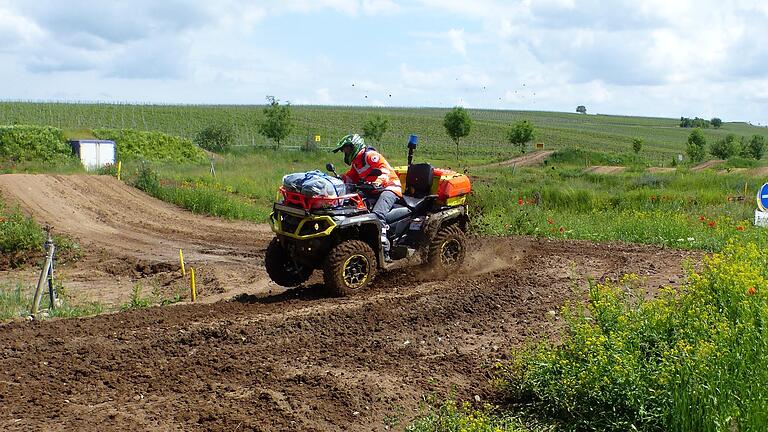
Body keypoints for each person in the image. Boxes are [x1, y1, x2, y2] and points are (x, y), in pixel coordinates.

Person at [332, 134, 402, 259]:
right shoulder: (356, 163)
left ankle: (384, 251)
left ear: (355, 146)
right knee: (353, 207)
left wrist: (379, 180)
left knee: (377, 214)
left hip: (389, 188)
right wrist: (337, 180)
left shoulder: (371, 156)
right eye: (344, 151)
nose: (346, 153)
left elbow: (384, 170)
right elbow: (350, 177)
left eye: (347, 149)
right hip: (372, 191)